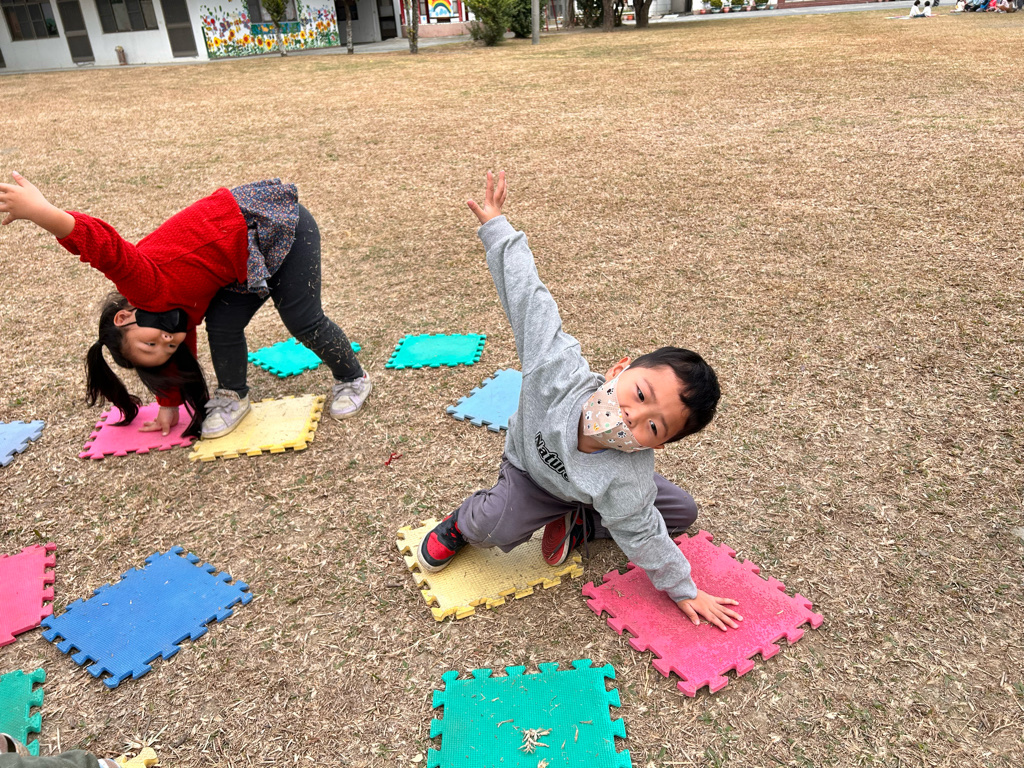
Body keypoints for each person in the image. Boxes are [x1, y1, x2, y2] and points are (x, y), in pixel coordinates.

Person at [415, 172, 742, 632]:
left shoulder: (629, 474)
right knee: (490, 526)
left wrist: (684, 589)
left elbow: (643, 533)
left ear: (658, 446)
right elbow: (530, 302)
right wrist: (497, 229)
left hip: (598, 492)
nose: (632, 415)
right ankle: (459, 524)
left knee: (679, 514)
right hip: (530, 475)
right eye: (640, 394)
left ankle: (583, 523)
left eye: (653, 426)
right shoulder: (557, 371)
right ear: (619, 370)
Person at [0, 173, 370, 439]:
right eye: (164, 349)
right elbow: (180, 351)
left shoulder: (142, 283)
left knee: (303, 320)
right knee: (222, 325)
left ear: (124, 317)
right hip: (241, 260)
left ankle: (353, 378)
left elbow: (104, 247)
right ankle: (234, 396)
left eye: (151, 343)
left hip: (276, 225)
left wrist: (42, 212)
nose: (167, 342)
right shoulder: (174, 321)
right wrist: (169, 404)